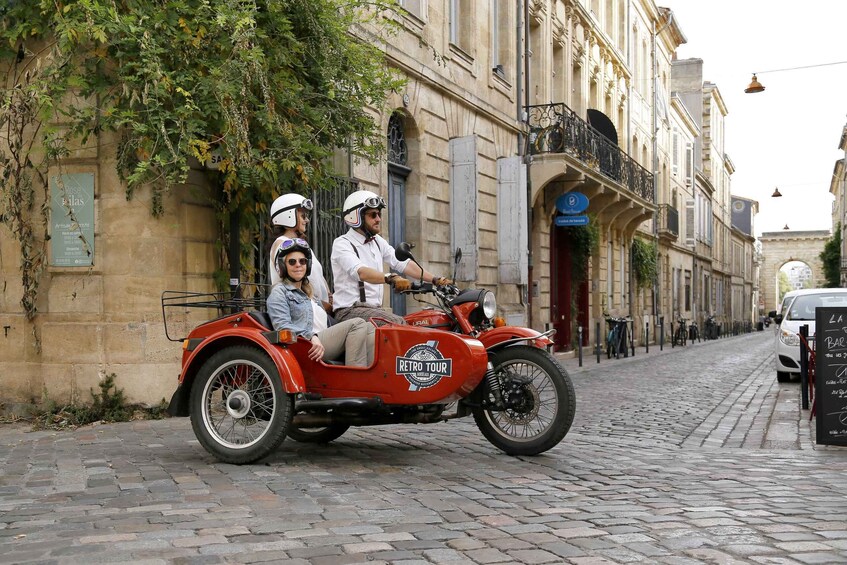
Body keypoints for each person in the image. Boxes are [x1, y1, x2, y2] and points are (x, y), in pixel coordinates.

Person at [330, 189, 450, 325]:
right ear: (356, 216)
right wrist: (391, 277)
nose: (378, 219)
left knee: (419, 321)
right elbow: (360, 272)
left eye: (379, 214)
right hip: (349, 311)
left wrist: (435, 279)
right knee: (396, 323)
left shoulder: (377, 241)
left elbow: (402, 263)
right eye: (373, 215)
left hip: (374, 310)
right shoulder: (342, 243)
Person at [267, 238, 374, 367]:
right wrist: (311, 336)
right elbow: (282, 326)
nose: (298, 265)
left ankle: (370, 380)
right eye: (292, 262)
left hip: (321, 342)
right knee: (357, 324)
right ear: (283, 266)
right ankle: (355, 380)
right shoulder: (279, 291)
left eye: (302, 261)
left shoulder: (309, 295)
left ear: (308, 265)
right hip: (305, 345)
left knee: (370, 327)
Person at [268, 193, 332, 312]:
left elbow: (317, 276)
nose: (306, 220)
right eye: (303, 216)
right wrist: (323, 304)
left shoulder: (298, 245)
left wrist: (329, 297)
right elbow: (294, 283)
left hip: (316, 309)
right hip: (303, 312)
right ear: (288, 216)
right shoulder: (283, 244)